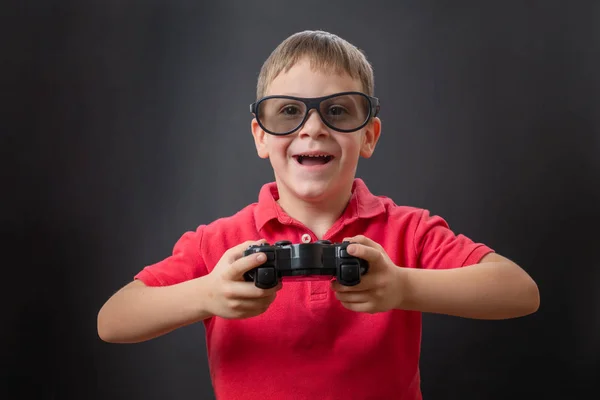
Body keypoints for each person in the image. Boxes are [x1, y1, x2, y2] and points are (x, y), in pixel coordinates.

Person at [97, 30, 540, 399]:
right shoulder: (220, 244)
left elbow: (520, 291)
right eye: (289, 111)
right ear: (261, 137)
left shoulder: (408, 232)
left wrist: (404, 286)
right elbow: (113, 320)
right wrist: (207, 294)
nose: (313, 127)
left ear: (369, 136)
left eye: (338, 111)